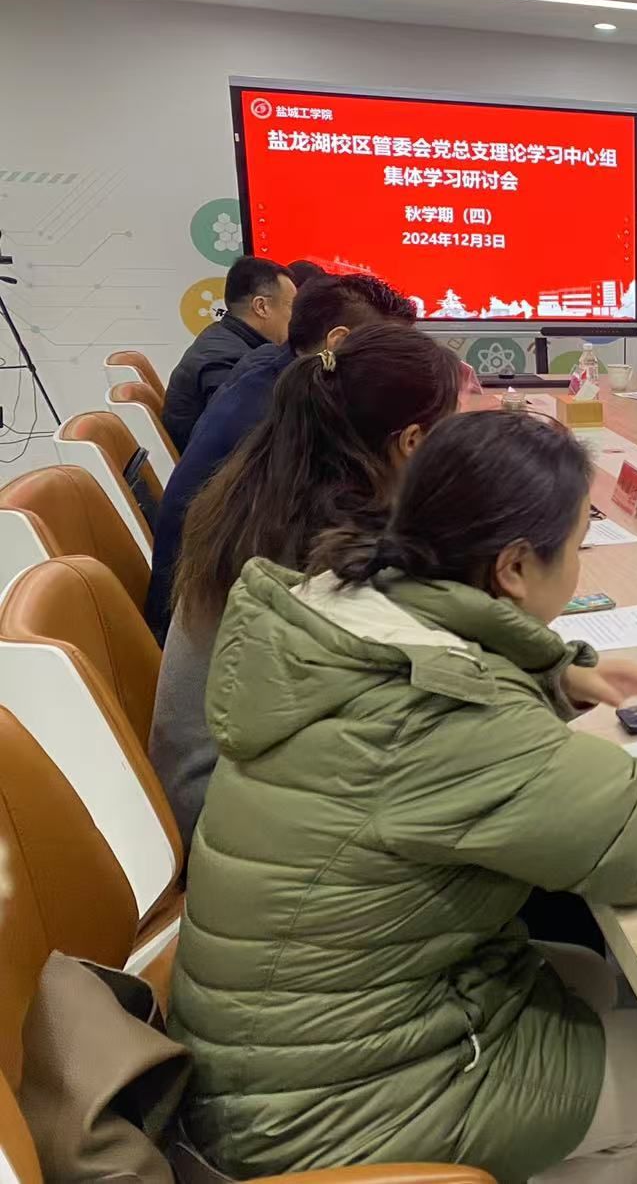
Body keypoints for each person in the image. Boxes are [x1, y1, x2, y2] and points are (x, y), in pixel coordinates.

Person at [169, 409, 637, 1184]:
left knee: (587, 977)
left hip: (272, 1046)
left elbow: (459, 690)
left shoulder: (348, 609)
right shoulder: (442, 714)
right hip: (313, 1114)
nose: (579, 565)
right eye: (576, 546)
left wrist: (555, 679)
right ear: (515, 568)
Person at [148, 323, 460, 846]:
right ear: (411, 443)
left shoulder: (270, 486)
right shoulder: (331, 546)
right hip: (234, 812)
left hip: (214, 779)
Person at [144, 272, 418, 639]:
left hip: (210, 607)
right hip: (212, 623)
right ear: (339, 342)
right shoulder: (285, 420)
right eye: (393, 354)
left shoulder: (273, 370)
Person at [160, 254, 296, 450]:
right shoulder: (228, 361)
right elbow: (243, 443)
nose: (296, 316)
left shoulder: (223, 337)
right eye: (292, 306)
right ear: (261, 307)